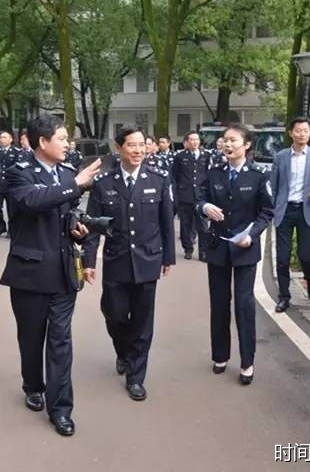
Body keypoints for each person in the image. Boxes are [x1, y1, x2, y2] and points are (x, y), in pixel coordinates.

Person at [0, 114, 101, 437]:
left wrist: (78, 229)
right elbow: (32, 201)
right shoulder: (19, 172)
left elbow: (67, 214)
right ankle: (32, 385)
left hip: (63, 272)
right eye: (62, 138)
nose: (67, 143)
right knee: (31, 338)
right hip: (30, 273)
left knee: (61, 341)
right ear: (42, 142)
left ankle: (61, 409)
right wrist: (75, 184)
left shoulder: (68, 173)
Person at [83, 125, 175, 402]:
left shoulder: (158, 179)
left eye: (141, 145)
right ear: (119, 148)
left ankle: (136, 377)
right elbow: (93, 226)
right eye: (132, 145)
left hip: (148, 260)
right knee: (115, 314)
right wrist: (89, 261)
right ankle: (122, 351)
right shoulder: (104, 182)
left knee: (143, 322)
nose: (138, 150)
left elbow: (166, 222)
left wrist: (168, 257)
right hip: (116, 260)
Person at [196, 123, 273, 385]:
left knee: (244, 305)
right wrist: (205, 207)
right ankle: (220, 356)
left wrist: (252, 235)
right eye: (225, 140)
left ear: (247, 145)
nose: (227, 145)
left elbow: (267, 212)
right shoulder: (214, 172)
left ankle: (247, 362)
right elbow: (199, 199)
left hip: (245, 249)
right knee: (219, 304)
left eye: (233, 141)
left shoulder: (258, 175)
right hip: (218, 247)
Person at [271, 117, 310, 313]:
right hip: (285, 210)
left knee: (305, 255)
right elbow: (273, 184)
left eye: (305, 130)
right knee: (282, 258)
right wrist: (271, 209)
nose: (302, 134)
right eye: (298, 130)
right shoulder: (281, 156)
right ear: (291, 133)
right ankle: (284, 297)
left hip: (307, 210)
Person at [172, 131, 211, 260]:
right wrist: (177, 194)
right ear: (186, 142)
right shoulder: (180, 156)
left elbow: (208, 174)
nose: (194, 142)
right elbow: (175, 176)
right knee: (185, 225)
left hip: (201, 196)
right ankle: (188, 249)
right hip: (185, 196)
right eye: (192, 140)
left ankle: (203, 252)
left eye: (196, 140)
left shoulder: (206, 156)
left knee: (203, 226)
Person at [0, 131, 22, 237]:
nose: (2, 139)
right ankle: (0, 228)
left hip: (11, 185)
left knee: (11, 209)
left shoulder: (16, 152)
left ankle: (11, 229)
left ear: (10, 139)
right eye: (1, 137)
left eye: (4, 137)